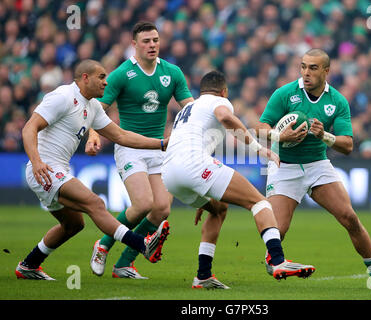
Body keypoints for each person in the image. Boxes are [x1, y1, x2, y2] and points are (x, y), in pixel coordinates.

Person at [254, 48, 371, 290]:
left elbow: (348, 145)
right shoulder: (285, 93)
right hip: (284, 166)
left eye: (312, 68)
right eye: (303, 67)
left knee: (350, 218)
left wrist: (325, 136)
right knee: (277, 231)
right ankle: (274, 260)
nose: (306, 73)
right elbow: (260, 127)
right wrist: (278, 135)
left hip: (317, 165)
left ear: (326, 71)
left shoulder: (337, 101)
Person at [15, 59, 169, 280]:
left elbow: (121, 136)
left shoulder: (93, 106)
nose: (106, 83)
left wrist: (161, 144)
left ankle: (29, 265)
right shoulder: (63, 97)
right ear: (85, 78)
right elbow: (29, 127)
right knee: (96, 203)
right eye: (101, 77)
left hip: (58, 171)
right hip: (45, 169)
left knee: (73, 225)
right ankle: (142, 244)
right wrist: (37, 161)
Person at [161, 70, 315, 289]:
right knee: (259, 202)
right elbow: (225, 117)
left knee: (218, 208)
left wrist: (202, 191)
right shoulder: (220, 102)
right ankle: (278, 260)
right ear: (224, 91)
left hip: (170, 175)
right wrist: (259, 149)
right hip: (193, 165)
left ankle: (203, 275)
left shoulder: (188, 108)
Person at [87, 21, 197, 279]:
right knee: (144, 203)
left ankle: (125, 263)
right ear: (134, 44)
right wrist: (93, 135)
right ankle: (103, 243)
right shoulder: (121, 74)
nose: (152, 45)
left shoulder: (173, 72)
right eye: (146, 41)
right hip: (130, 147)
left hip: (160, 148)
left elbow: (189, 107)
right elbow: (97, 110)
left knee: (161, 209)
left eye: (155, 40)